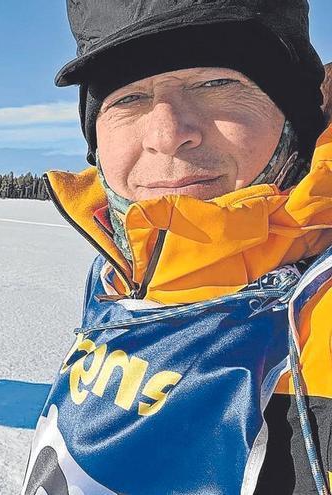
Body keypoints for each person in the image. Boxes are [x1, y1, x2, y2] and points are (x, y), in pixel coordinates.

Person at [23, 1, 332, 494]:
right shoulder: (118, 276)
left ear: (298, 114)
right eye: (127, 99)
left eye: (216, 84)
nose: (167, 135)